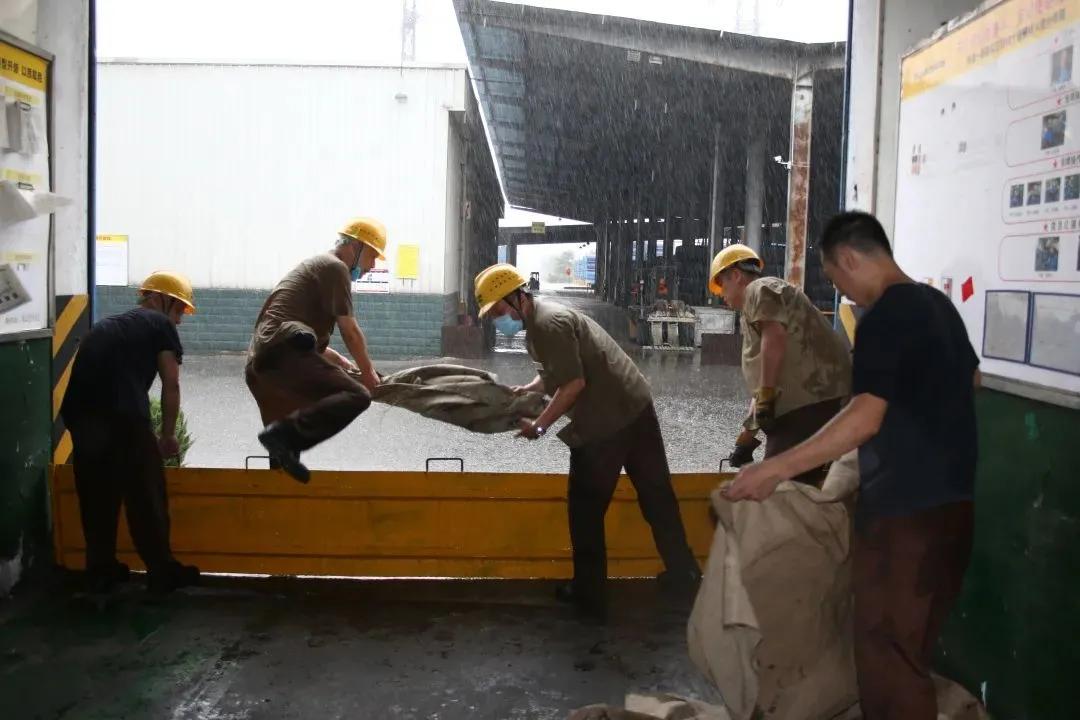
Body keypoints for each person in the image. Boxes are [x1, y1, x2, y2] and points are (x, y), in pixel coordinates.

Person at [724, 212, 980, 720]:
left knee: (886, 660)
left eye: (837, 280)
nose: (843, 293)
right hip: (955, 507)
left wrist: (774, 469)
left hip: (904, 515)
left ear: (849, 258)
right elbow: (971, 381)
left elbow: (865, 415)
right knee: (913, 652)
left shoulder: (883, 316)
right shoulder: (938, 306)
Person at [474, 264, 700, 620]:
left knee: (585, 510)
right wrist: (530, 389)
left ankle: (589, 593)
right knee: (657, 496)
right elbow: (557, 371)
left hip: (604, 422)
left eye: (500, 311)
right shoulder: (545, 319)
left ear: (518, 297)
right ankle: (685, 576)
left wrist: (541, 426)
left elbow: (573, 384)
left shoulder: (547, 326)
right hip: (636, 405)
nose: (499, 320)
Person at [60, 271, 201, 594]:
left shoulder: (107, 326)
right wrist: (167, 435)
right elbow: (171, 382)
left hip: (81, 419)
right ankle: (162, 571)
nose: (179, 320)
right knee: (146, 494)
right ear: (158, 300)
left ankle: (100, 570)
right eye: (178, 309)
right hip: (123, 416)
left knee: (98, 496)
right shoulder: (159, 324)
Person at [246, 217, 385, 483]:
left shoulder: (318, 268)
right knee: (356, 395)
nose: (373, 265)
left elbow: (313, 344)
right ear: (355, 246)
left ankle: (280, 481)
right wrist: (367, 374)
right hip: (283, 356)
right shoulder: (336, 268)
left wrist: (343, 363)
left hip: (264, 366)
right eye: (373, 256)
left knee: (284, 463)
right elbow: (350, 331)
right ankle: (282, 437)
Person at [707, 243, 851, 484]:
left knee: (777, 489)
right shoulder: (760, 304)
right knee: (794, 487)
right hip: (814, 405)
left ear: (736, 275)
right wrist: (746, 439)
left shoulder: (758, 289)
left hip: (809, 407)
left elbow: (774, 339)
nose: (721, 293)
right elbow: (765, 379)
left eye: (722, 284)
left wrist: (765, 396)